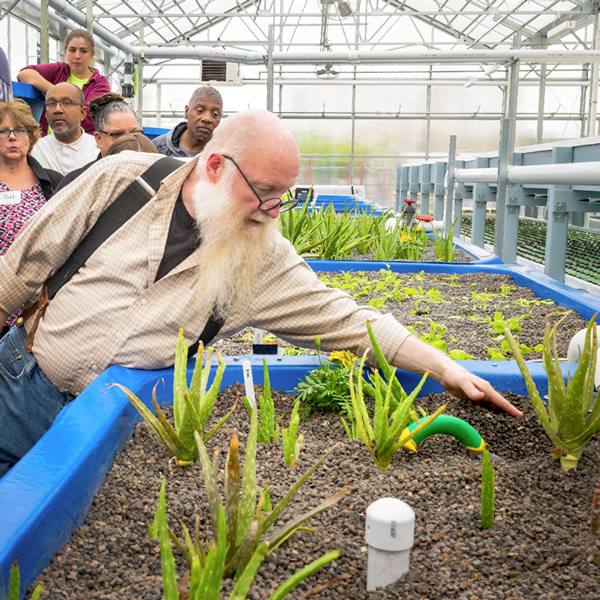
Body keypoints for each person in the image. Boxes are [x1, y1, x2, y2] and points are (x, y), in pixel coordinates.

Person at [0, 109, 521, 477]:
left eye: (283, 196)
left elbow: (344, 318)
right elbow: (20, 270)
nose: (273, 210)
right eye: (265, 191)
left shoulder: (261, 257)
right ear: (215, 165)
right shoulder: (122, 181)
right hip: (22, 386)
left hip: (118, 427)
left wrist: (445, 367)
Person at [0, 99, 62, 337]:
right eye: (3, 131)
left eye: (19, 130)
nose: (12, 137)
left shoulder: (53, 182)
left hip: (39, 300)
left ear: (31, 136)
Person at [17, 28, 110, 135]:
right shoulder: (60, 70)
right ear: (65, 52)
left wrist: (55, 97)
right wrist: (54, 90)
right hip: (49, 143)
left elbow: (88, 118)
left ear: (92, 54)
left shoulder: (99, 83)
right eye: (72, 50)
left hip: (81, 146)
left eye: (83, 51)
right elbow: (24, 74)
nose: (77, 56)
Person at [54, 92, 142, 189]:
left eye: (135, 133)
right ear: (98, 138)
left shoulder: (154, 176)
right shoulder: (76, 183)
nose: (128, 140)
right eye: (117, 135)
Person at [29, 83, 98, 175]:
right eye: (51, 104)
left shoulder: (98, 150)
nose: (57, 110)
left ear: (82, 113)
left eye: (66, 103)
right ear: (45, 114)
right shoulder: (33, 150)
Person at [153, 86, 222, 157]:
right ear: (186, 112)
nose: (207, 119)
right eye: (200, 111)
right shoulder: (159, 147)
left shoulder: (225, 153)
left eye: (215, 114)